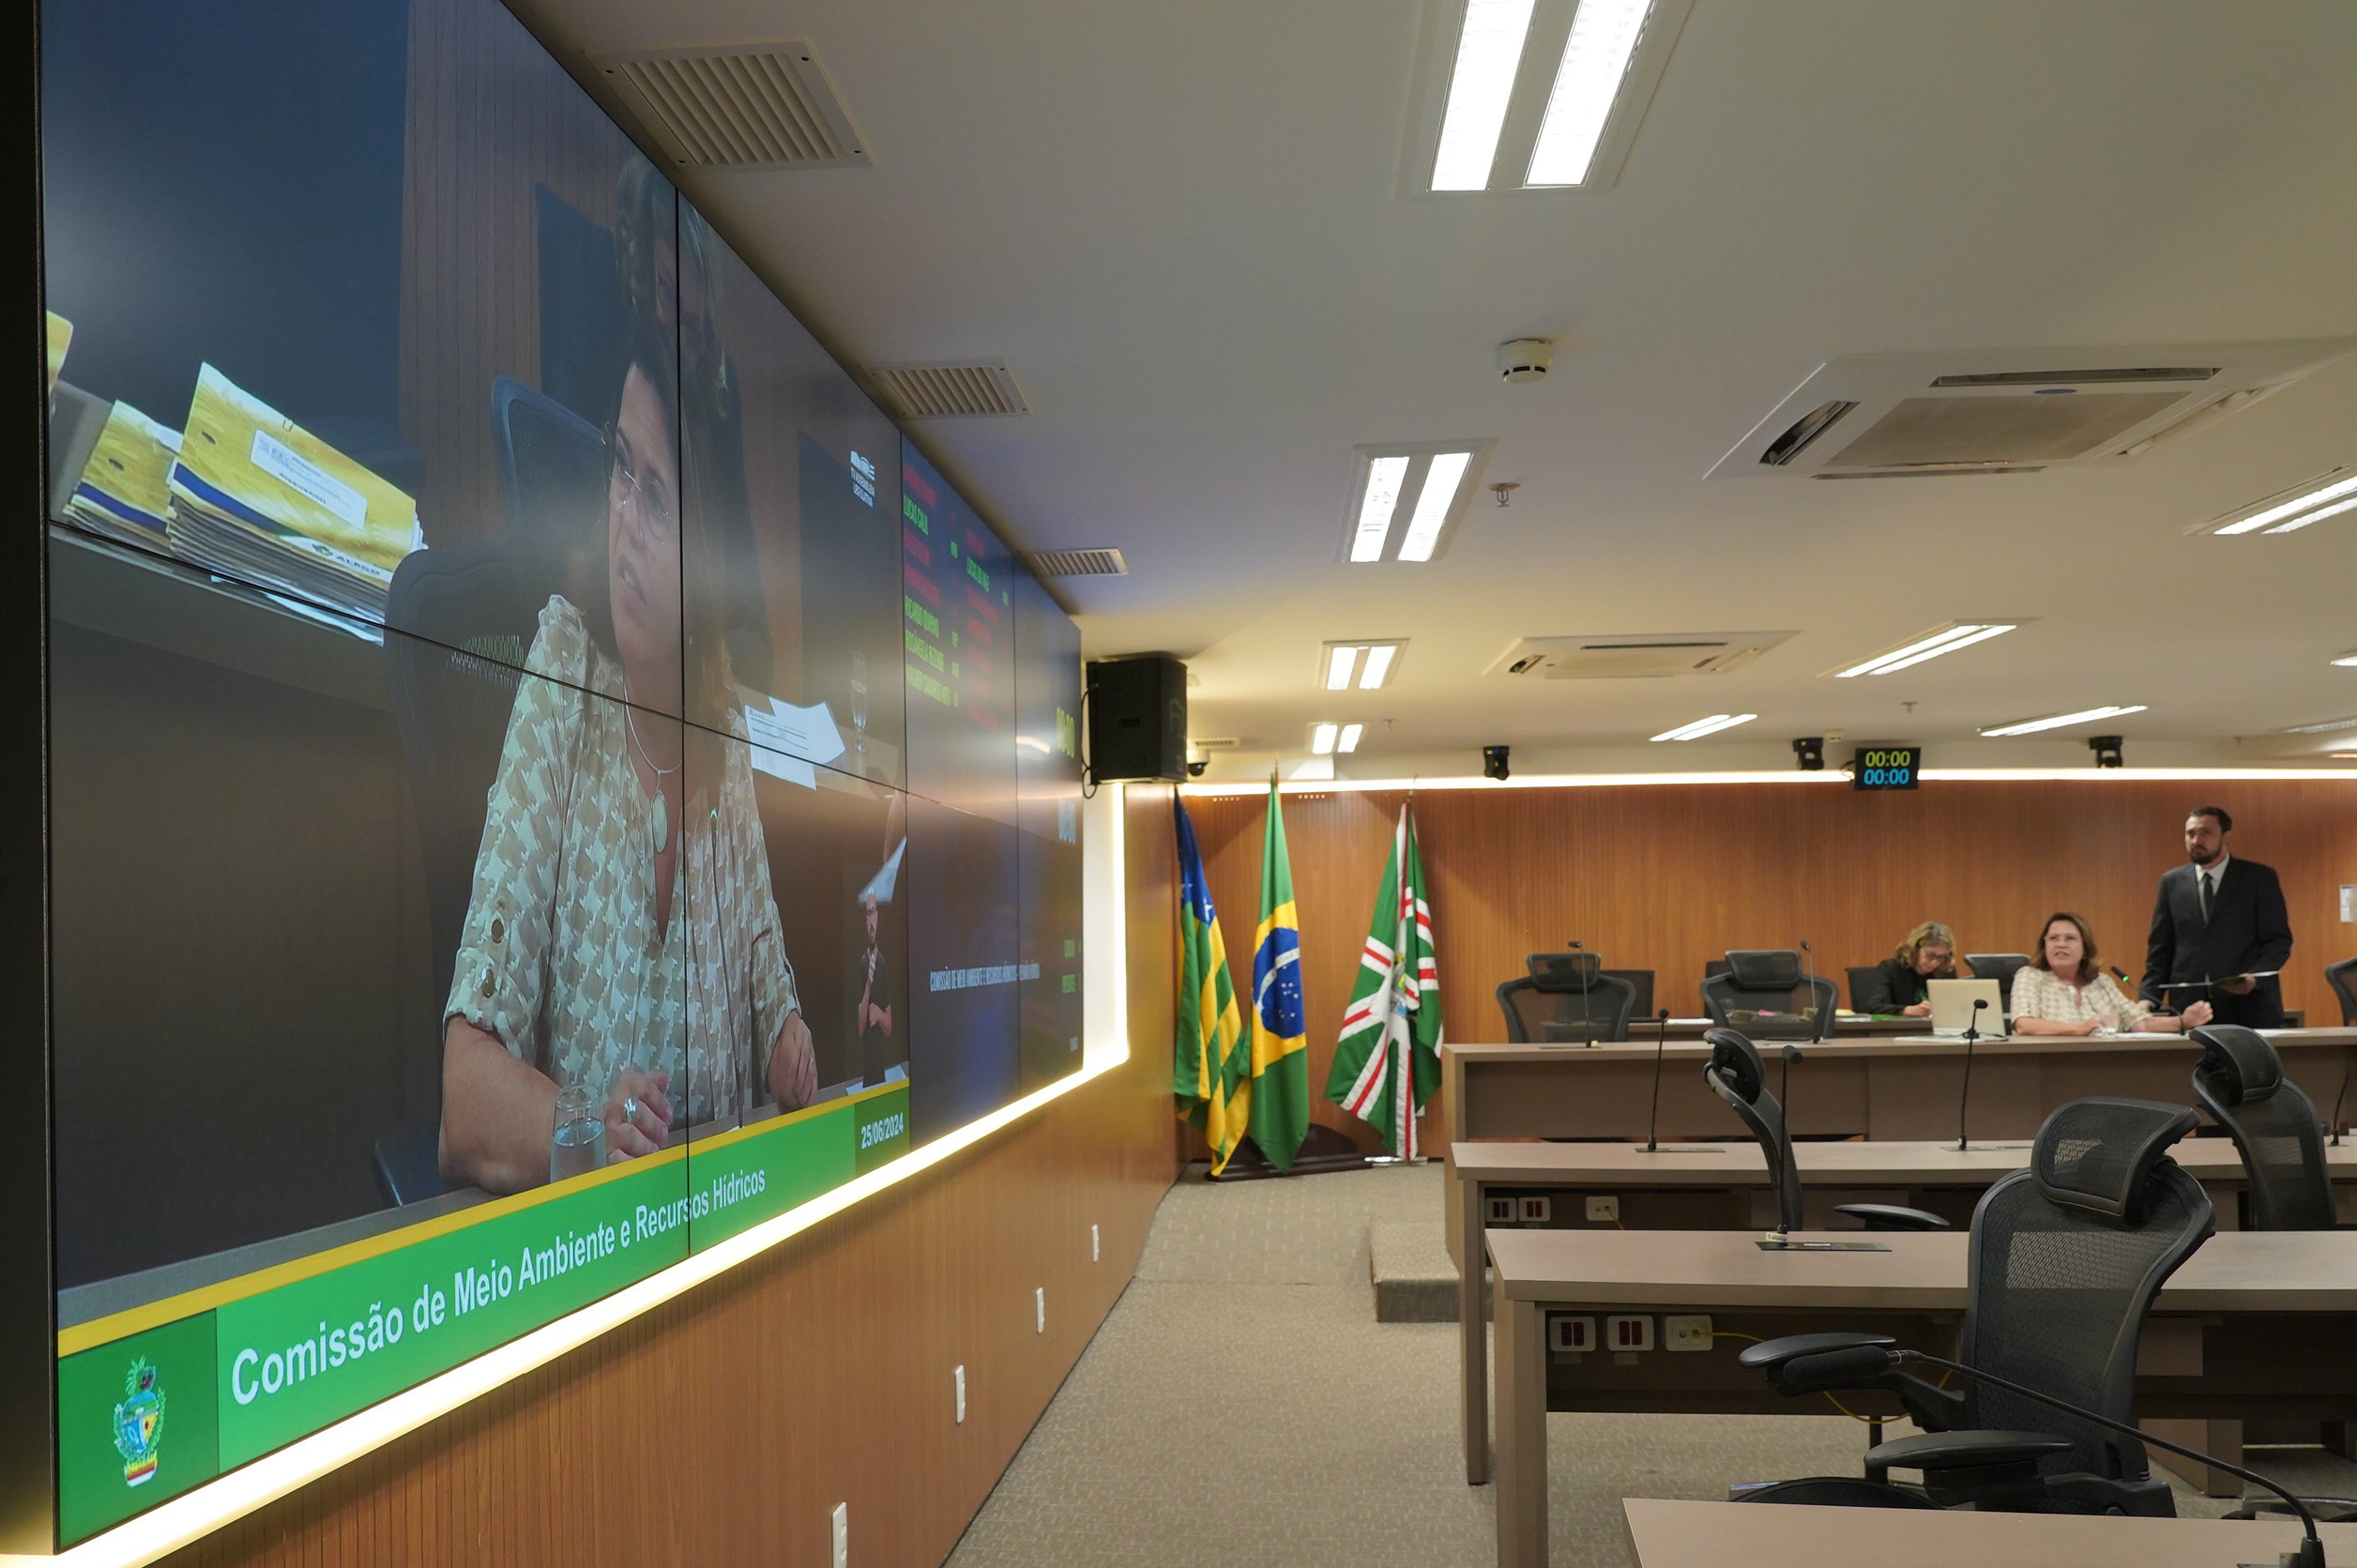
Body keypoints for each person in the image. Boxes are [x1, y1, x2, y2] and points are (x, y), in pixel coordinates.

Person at [436, 325, 819, 1195]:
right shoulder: (564, 674)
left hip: (715, 1219)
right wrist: (583, 1126)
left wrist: (788, 1039)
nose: (625, 524)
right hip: (585, 1243)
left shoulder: (725, 733)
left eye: (660, 501)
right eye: (621, 471)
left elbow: (769, 979)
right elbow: (464, 1096)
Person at [2143, 805, 2293, 1028]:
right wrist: (2147, 999)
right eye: (2190, 834)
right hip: (2191, 1010)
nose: (2196, 840)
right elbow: (2160, 949)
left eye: (2206, 833)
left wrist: (2255, 978)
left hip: (2249, 1008)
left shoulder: (2258, 878)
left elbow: (2278, 941)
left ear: (2226, 836)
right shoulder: (2171, 882)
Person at [2012, 912, 2212, 1036]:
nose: (2061, 944)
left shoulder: (2101, 982)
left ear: (2085, 948)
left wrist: (2183, 1021)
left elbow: (2139, 1023)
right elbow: (2024, 1025)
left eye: (2070, 938)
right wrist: (2080, 1029)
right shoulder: (2030, 976)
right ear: (2044, 945)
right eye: (2053, 938)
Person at [1859, 921, 1957, 1016]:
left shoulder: (1946, 971)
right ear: (1916, 948)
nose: (1935, 962)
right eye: (1930, 955)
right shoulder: (1892, 969)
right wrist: (1906, 1010)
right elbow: (1875, 1007)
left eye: (1941, 957)